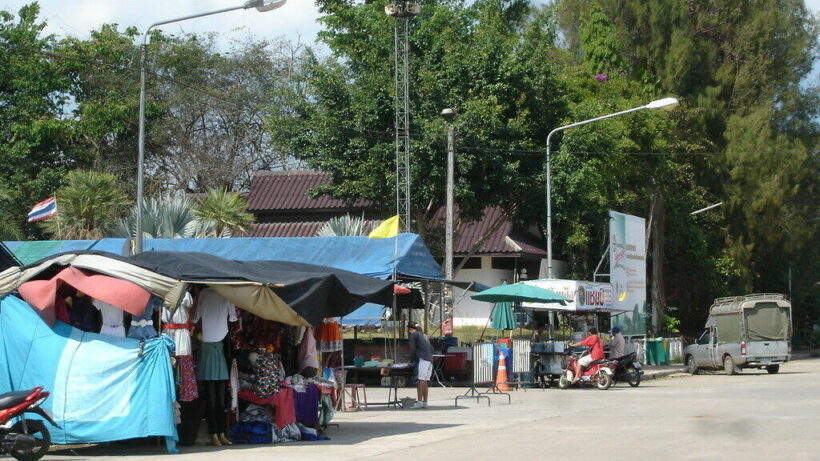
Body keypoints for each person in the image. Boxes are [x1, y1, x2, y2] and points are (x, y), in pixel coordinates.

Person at [407, 322, 434, 409]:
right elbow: (432, 348)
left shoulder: (414, 335)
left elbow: (412, 349)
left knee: (421, 380)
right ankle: (425, 402)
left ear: (410, 329)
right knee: (425, 381)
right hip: (430, 359)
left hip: (423, 359)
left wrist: (411, 360)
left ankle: (419, 402)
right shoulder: (424, 335)